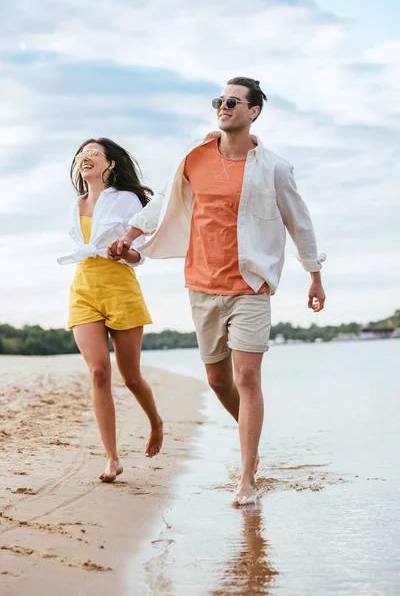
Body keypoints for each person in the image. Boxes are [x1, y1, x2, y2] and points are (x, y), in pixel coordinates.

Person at [108, 77, 326, 504]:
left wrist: (314, 274)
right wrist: (130, 236)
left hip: (250, 284)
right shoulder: (195, 157)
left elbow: (299, 221)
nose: (223, 107)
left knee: (247, 377)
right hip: (202, 284)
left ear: (254, 112)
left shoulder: (275, 168)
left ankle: (246, 475)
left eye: (232, 101)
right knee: (217, 379)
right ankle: (253, 440)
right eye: (219, 101)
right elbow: (164, 202)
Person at [58, 137, 163, 483]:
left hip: (120, 287)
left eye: (93, 154)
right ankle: (112, 459)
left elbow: (140, 254)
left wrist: (126, 250)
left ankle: (156, 422)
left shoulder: (127, 200)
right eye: (81, 155)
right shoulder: (77, 204)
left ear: (110, 164)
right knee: (99, 373)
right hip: (85, 287)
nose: (85, 159)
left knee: (130, 376)